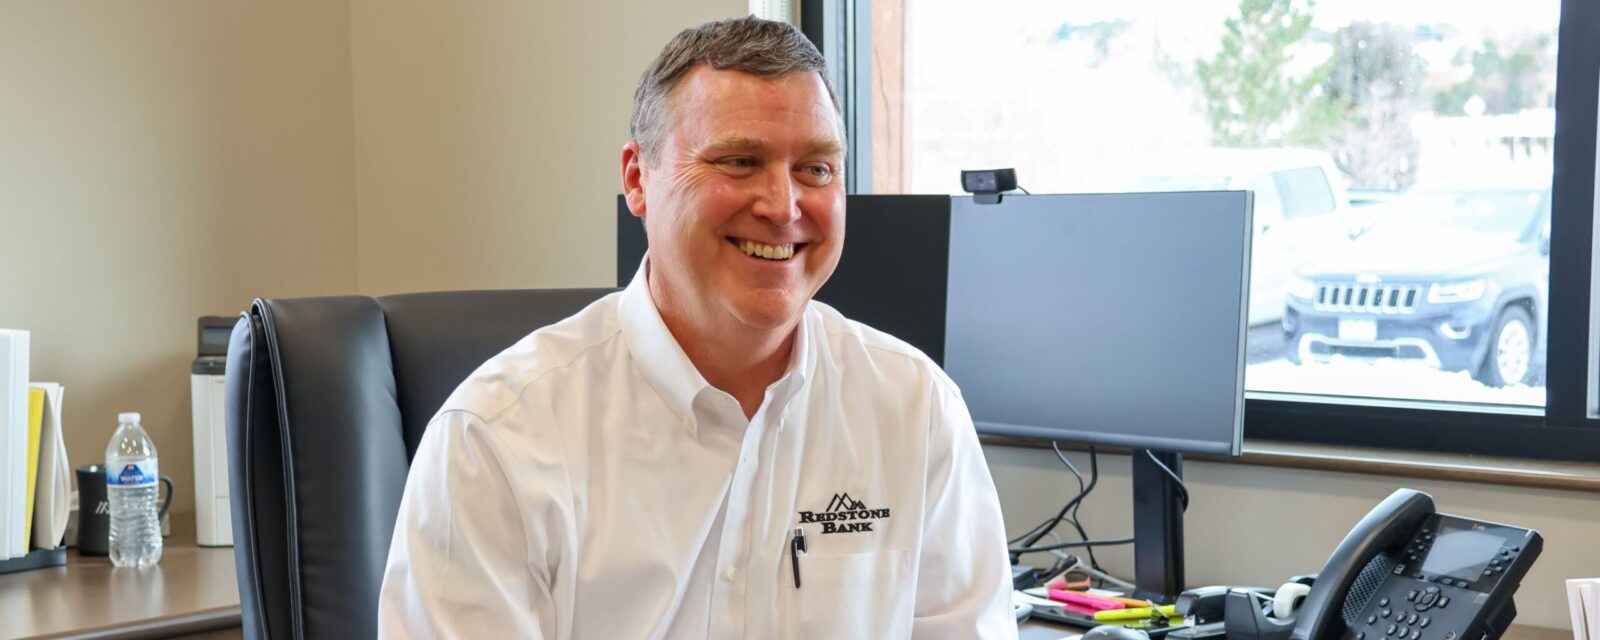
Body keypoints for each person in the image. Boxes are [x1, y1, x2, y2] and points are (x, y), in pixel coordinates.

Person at [378, 16, 1015, 639]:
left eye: (816, 169)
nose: (783, 207)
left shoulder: (916, 409)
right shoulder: (494, 440)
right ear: (638, 179)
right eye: (739, 161)